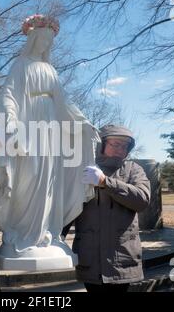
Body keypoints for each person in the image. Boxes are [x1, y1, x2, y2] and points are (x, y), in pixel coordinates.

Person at [0, 14, 100, 264]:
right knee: (26, 178)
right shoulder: (20, 65)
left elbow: (64, 100)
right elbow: (8, 94)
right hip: (27, 124)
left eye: (49, 42)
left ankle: (47, 233)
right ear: (33, 39)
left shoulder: (50, 69)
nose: (45, 45)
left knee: (49, 180)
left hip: (51, 125)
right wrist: (10, 119)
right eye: (42, 40)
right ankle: (21, 233)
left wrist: (82, 122)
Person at [73, 124, 151, 292]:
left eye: (124, 146)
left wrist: (105, 182)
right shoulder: (84, 169)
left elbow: (142, 200)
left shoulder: (133, 170)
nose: (120, 149)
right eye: (115, 144)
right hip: (89, 258)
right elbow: (67, 207)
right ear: (101, 144)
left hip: (122, 260)